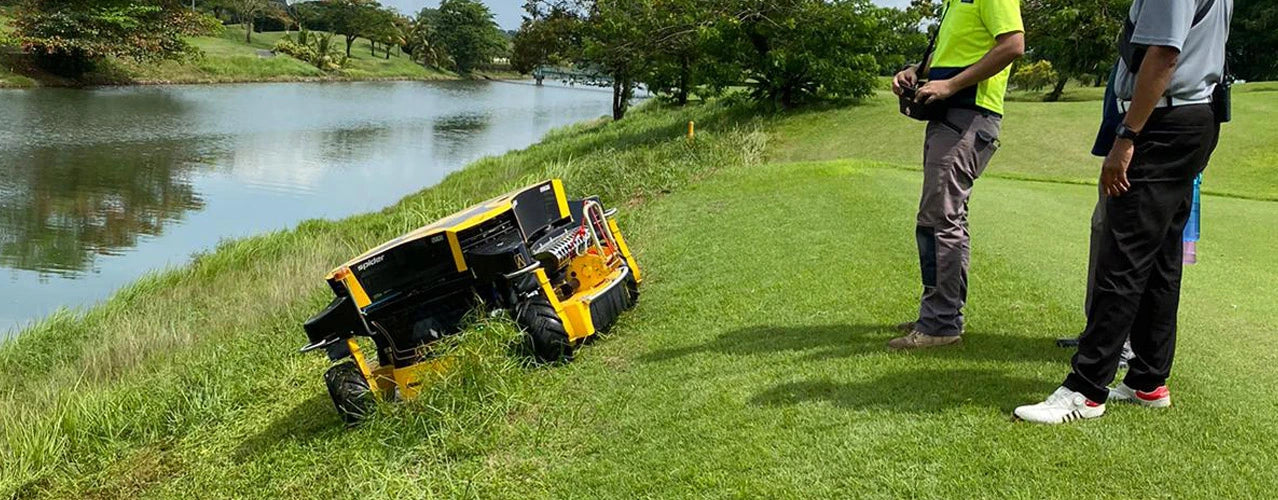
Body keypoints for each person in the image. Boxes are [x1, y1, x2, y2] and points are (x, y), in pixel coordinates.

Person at [1015, 0, 1232, 424]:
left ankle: (1086, 388)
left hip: (1162, 123)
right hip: (1194, 119)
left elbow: (1164, 54)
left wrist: (1127, 135)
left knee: (1124, 256)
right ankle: (1147, 381)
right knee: (1161, 258)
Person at [888, 0, 1025, 349]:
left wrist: (949, 86)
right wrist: (917, 70)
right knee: (941, 218)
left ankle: (941, 324)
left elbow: (1012, 44)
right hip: (952, 117)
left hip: (969, 116)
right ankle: (938, 312)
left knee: (940, 218)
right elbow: (960, 49)